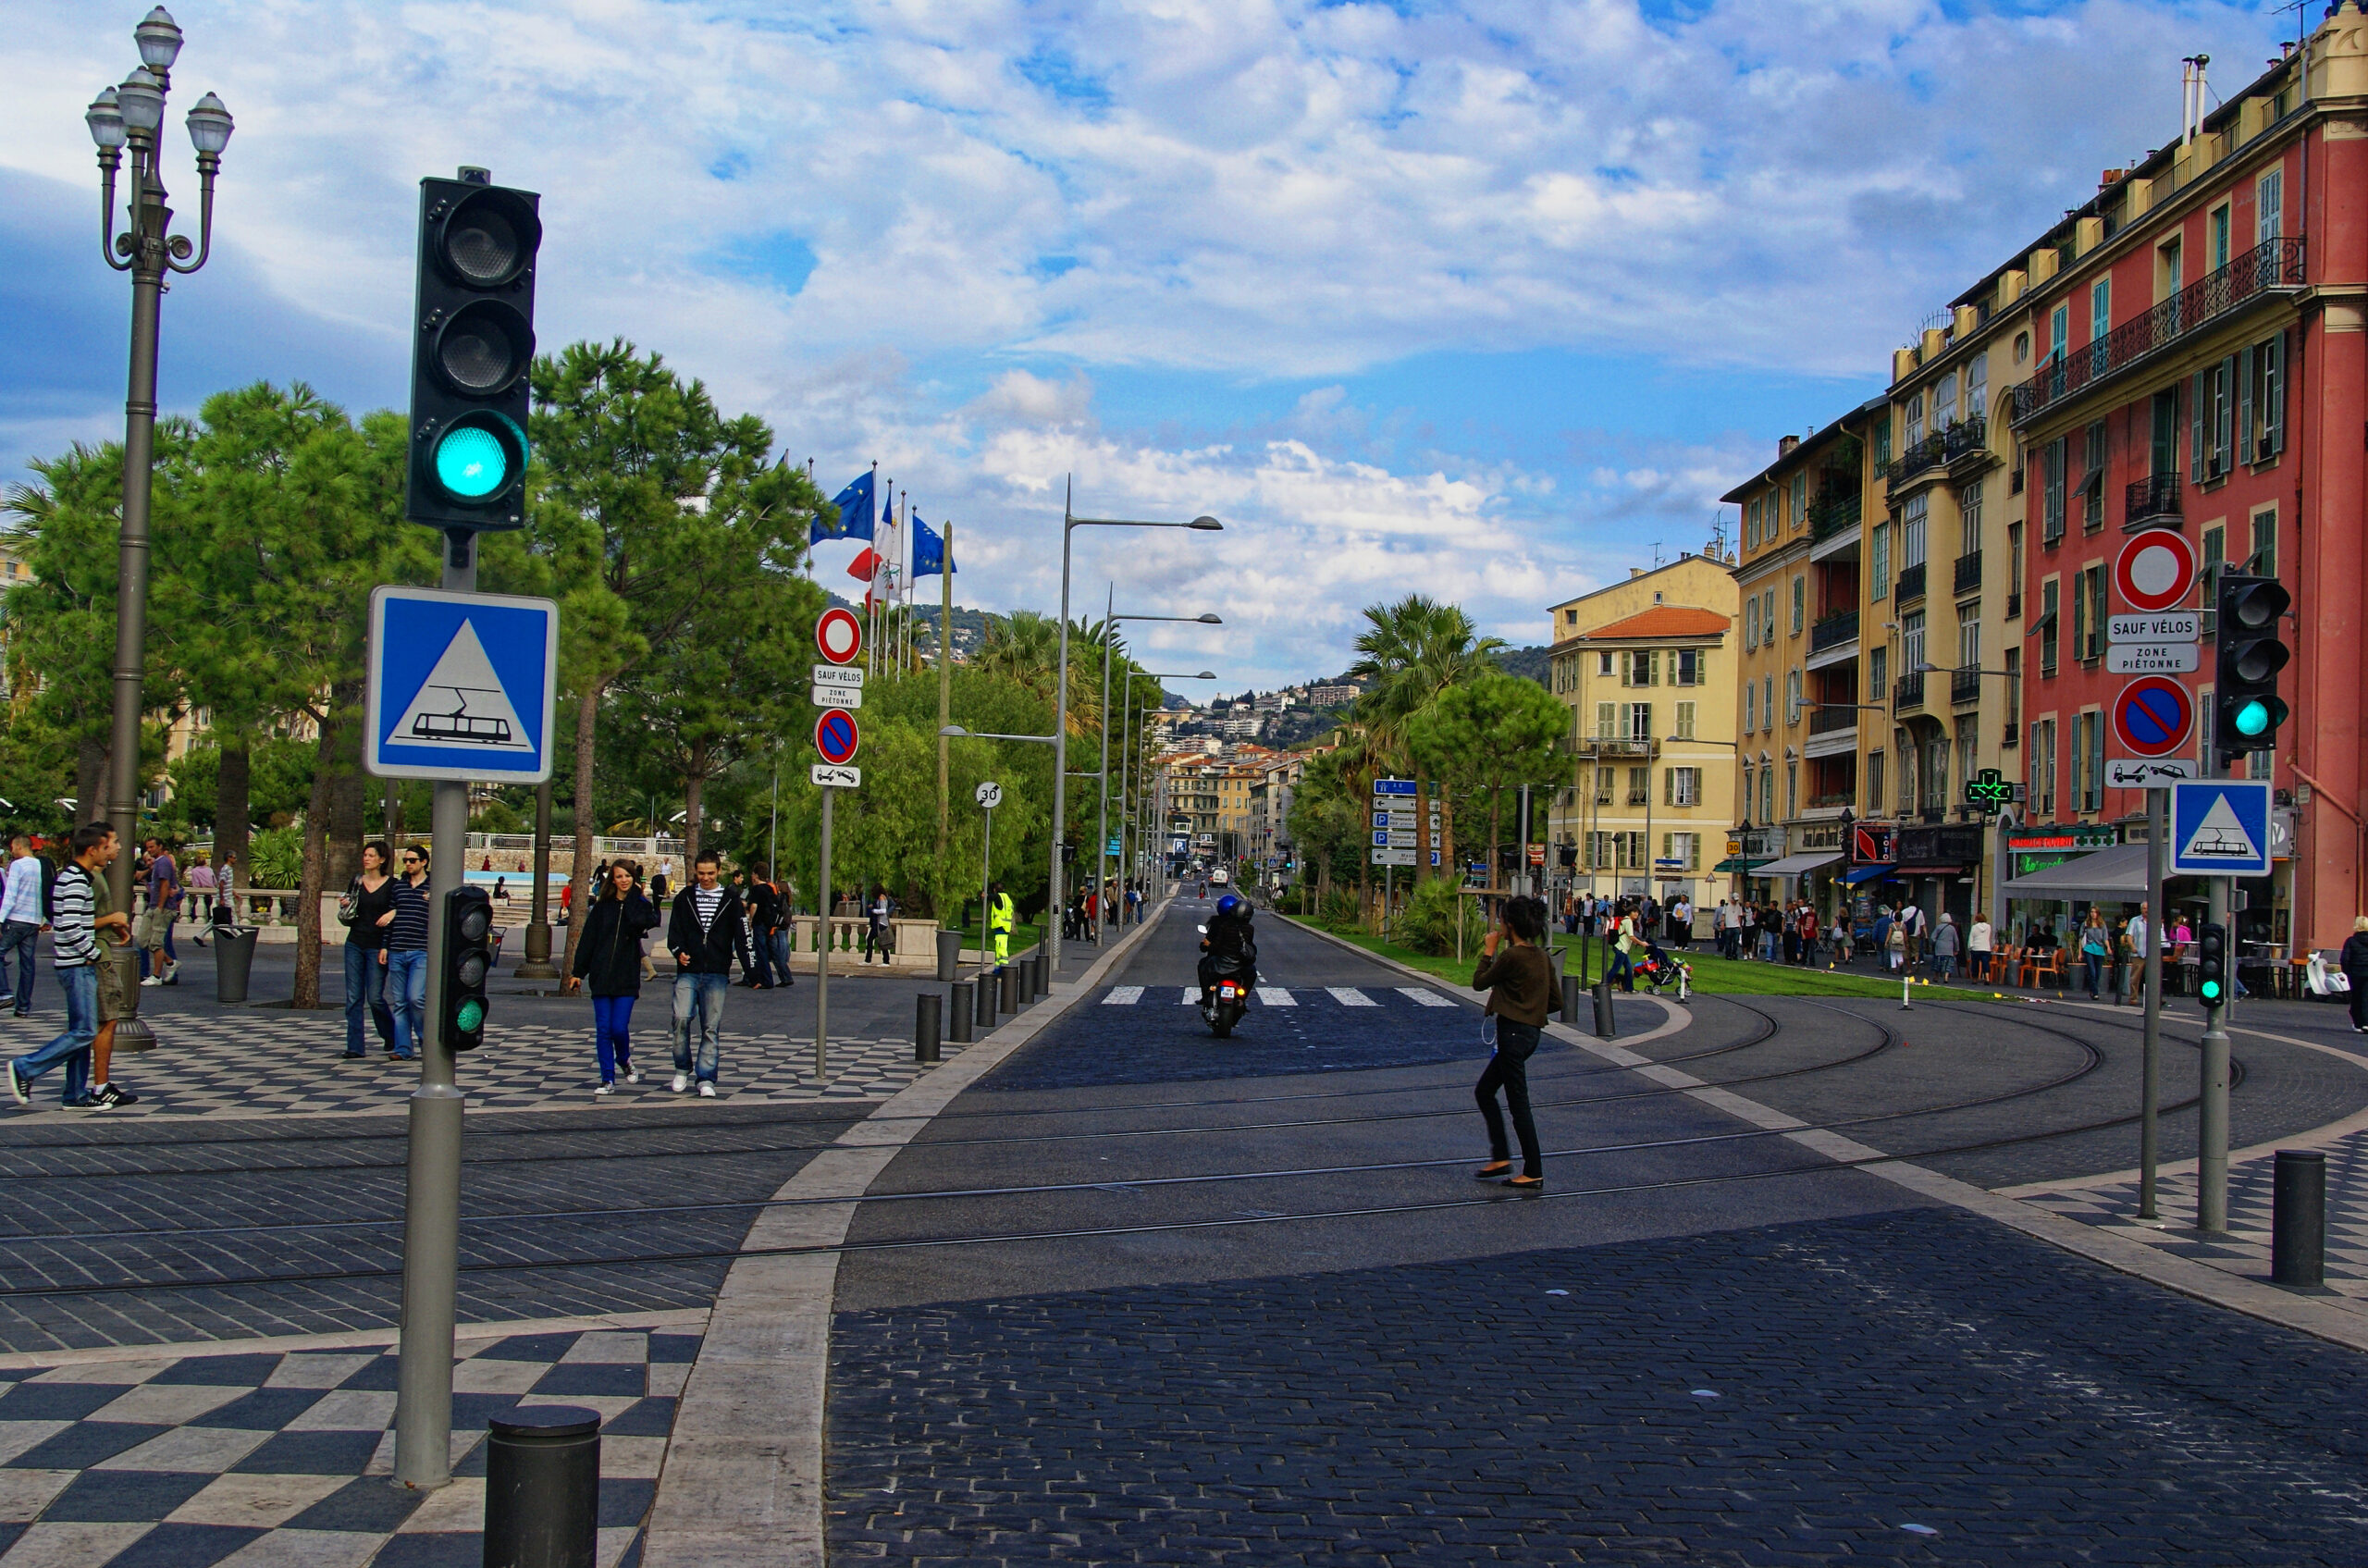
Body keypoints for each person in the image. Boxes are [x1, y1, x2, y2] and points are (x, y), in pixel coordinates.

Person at [9, 822, 130, 1109]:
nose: (117, 848)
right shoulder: (76, 879)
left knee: (80, 1030)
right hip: (77, 965)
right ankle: (25, 1068)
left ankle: (74, 1095)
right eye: (111, 843)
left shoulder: (76, 876)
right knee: (84, 1032)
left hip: (75, 963)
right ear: (93, 849)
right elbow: (71, 926)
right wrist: (92, 952)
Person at [1471, 895, 1557, 1191]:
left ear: (1510, 925)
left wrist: (1488, 950)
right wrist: (1529, 1006)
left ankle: (1532, 1171)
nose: (1499, 924)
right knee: (1484, 1091)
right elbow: (1555, 1001)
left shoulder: (1511, 956)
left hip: (1513, 1036)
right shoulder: (1542, 957)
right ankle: (1500, 1158)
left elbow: (1479, 982)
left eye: (1502, 920)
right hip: (1530, 1034)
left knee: (1519, 1105)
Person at [569, 859, 661, 1093]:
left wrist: (632, 899)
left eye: (627, 876)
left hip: (626, 977)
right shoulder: (602, 908)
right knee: (603, 1029)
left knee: (619, 1028)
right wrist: (578, 972)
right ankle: (607, 1079)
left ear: (634, 878)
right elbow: (588, 940)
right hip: (601, 976)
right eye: (619, 877)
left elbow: (645, 922)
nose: (623, 881)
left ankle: (624, 1059)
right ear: (612, 880)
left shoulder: (640, 905)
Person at [667, 850, 744, 1097]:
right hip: (688, 969)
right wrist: (678, 951)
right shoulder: (685, 897)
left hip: (717, 971)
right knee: (680, 1018)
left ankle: (706, 1077)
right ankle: (682, 1067)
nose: (706, 878)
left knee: (710, 1027)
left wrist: (752, 968)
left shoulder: (731, 900)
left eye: (710, 873)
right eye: (701, 873)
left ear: (719, 871)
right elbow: (674, 932)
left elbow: (741, 934)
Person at [341, 842, 399, 1061]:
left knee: (375, 997)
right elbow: (350, 906)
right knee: (354, 996)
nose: (366, 859)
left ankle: (390, 1034)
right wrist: (345, 903)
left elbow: (400, 905)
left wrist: (392, 913)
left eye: (371, 855)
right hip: (355, 941)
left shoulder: (392, 885)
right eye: (364, 855)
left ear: (381, 859)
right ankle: (355, 1046)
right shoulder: (357, 881)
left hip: (377, 945)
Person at [383, 846, 431, 1060]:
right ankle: (403, 1049)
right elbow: (390, 920)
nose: (408, 864)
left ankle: (426, 1042)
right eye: (406, 860)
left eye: (412, 860)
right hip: (397, 949)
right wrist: (385, 945)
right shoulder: (399, 887)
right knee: (400, 1002)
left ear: (424, 862)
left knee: (416, 998)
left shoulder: (434, 887)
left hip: (421, 950)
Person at [0, 834, 46, 1017]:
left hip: (16, 918)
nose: (11, 851)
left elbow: (10, 895)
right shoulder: (40, 865)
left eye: (12, 847)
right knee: (28, 963)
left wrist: (1, 918)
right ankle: (23, 1006)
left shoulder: (18, 865)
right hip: (33, 919)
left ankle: (4, 993)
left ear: (19, 846)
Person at [1197, 893, 1258, 1006]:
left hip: (1220, 964)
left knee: (1202, 966)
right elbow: (1251, 948)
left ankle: (1206, 996)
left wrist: (1207, 946)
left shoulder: (1222, 925)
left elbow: (1215, 946)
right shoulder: (1249, 928)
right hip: (1239, 967)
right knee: (1252, 973)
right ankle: (1242, 999)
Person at [137, 835, 180, 986]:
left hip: (162, 908)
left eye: (152, 847)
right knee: (143, 940)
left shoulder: (163, 863)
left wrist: (160, 907)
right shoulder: (157, 864)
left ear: (160, 847)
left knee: (156, 942)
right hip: (153, 906)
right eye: (147, 847)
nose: (149, 850)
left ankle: (156, 975)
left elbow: (165, 884)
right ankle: (170, 963)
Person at [2341, 917, 2368, 1032]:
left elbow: (2345, 958)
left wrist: (2348, 971)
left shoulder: (2351, 941)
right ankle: (2367, 1023)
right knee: (2367, 997)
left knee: (2356, 997)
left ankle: (2358, 1024)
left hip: (2356, 973)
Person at [2078, 907, 2111, 999]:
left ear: (2098, 913)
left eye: (2095, 912)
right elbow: (2081, 938)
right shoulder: (2085, 924)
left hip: (2099, 949)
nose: (2093, 914)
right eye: (2091, 912)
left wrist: (2108, 948)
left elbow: (2105, 938)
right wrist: (2080, 953)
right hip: (2088, 948)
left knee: (2098, 973)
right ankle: (2095, 993)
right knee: (2092, 971)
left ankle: (2092, 989)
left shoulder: (2102, 925)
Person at [186, 854, 216, 941]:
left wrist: (195, 892)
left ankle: (193, 917)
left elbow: (196, 883)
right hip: (211, 891)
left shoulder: (195, 871)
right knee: (209, 907)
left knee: (196, 907)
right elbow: (214, 881)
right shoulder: (209, 869)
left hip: (202, 891)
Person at [988, 880, 1014, 972]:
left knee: (1001, 948)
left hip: (1001, 925)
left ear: (995, 890)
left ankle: (1003, 970)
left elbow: (993, 897)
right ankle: (997, 969)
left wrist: (985, 895)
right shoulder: (1007, 898)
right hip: (1006, 926)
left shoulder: (999, 897)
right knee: (1001, 947)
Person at [865, 885, 894, 964]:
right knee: (881, 941)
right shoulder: (883, 897)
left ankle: (869, 960)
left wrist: (874, 910)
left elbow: (883, 910)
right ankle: (885, 961)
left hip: (881, 923)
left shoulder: (881, 897)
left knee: (872, 940)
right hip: (881, 923)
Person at [1930, 912, 1959, 982]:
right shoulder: (1952, 928)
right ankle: (1946, 978)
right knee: (1948, 964)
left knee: (1937, 963)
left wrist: (1935, 943)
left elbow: (1932, 937)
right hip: (1949, 949)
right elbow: (1956, 940)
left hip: (1939, 948)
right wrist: (1956, 949)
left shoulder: (1938, 927)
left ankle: (1936, 977)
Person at [1967, 914, 1993, 984]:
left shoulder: (1974, 927)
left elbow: (1971, 937)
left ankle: (1975, 979)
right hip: (1985, 948)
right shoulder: (1988, 927)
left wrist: (1970, 947)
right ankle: (1987, 978)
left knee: (1975, 964)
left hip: (1976, 948)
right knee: (1985, 964)